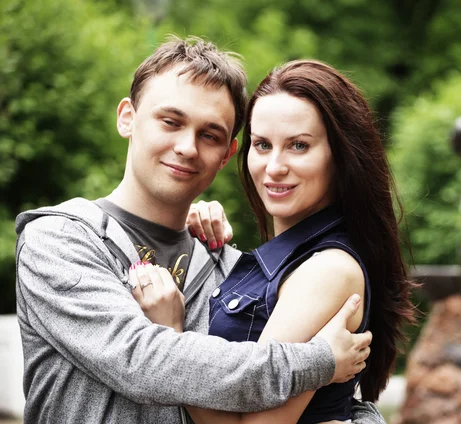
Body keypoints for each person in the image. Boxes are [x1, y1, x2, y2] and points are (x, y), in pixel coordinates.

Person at [14, 37, 383, 424]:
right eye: (170, 122)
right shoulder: (58, 242)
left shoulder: (230, 269)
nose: (188, 147)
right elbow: (140, 360)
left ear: (227, 153)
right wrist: (319, 361)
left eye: (209, 135)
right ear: (127, 117)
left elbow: (290, 405)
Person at [133, 59, 414, 423]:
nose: (275, 166)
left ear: (341, 156)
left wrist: (168, 333)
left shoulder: (326, 271)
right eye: (262, 145)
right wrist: (201, 240)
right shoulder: (286, 261)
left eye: (298, 146)